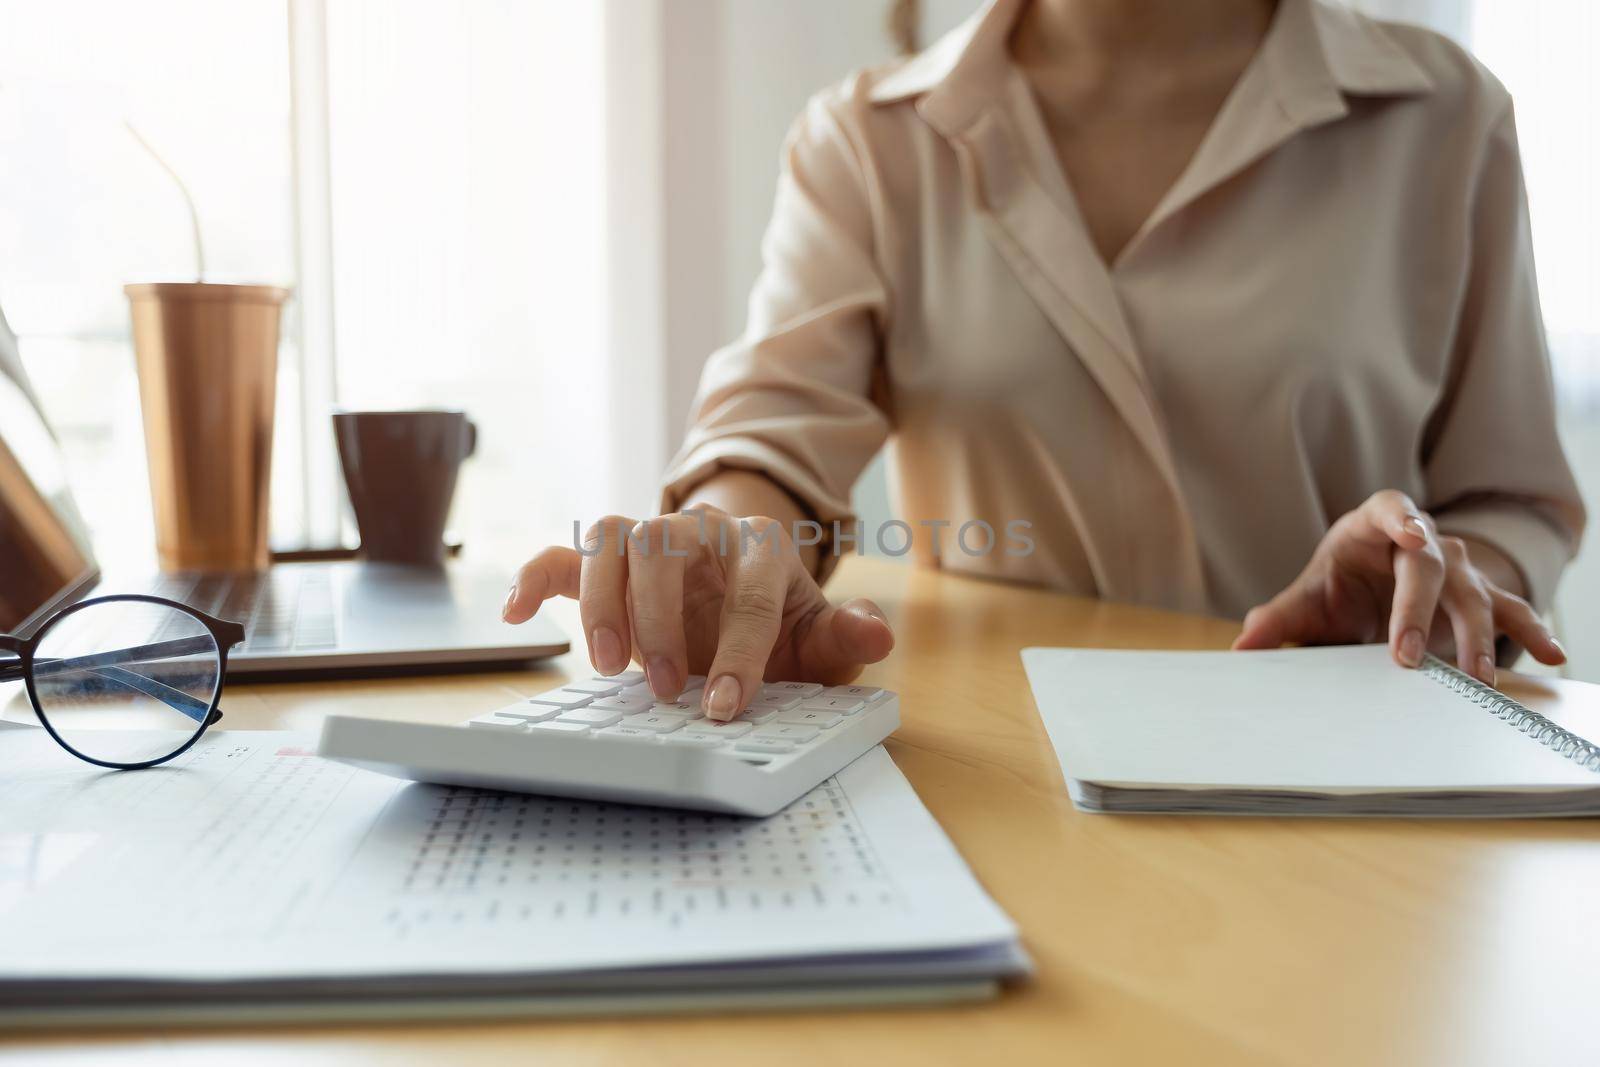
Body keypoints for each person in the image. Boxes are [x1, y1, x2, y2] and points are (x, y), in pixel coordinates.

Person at [505, 0, 1585, 721]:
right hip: (1009, 778)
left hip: (1353, 766)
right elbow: (770, 439)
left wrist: (1429, 581)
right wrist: (733, 543)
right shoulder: (868, 140)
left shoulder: (1443, 116)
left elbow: (1508, 499)